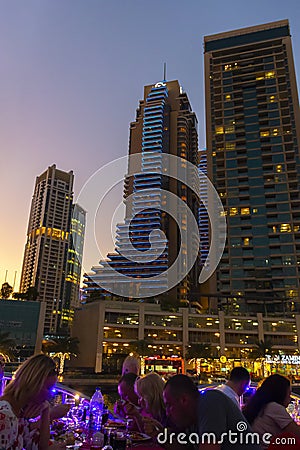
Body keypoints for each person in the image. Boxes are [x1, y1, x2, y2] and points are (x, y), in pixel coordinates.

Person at [158, 374, 261, 449]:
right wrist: (158, 434)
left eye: (169, 405)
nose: (167, 412)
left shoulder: (210, 401)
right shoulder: (192, 420)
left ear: (184, 400)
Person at [0, 353, 65, 450]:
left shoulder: (18, 412)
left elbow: (39, 447)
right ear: (33, 384)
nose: (50, 395)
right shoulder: (5, 416)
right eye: (48, 388)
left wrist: (46, 410)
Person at [243, 374, 300, 449]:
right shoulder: (274, 408)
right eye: (289, 394)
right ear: (281, 394)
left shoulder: (259, 406)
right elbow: (297, 433)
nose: (290, 398)